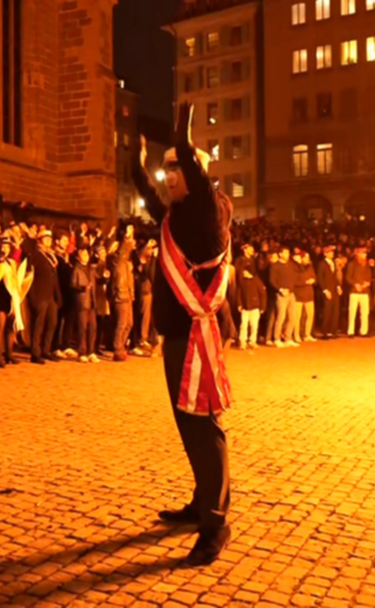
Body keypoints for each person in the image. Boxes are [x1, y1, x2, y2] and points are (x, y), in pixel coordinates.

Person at [132, 102, 233, 566]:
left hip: (199, 337)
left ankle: (215, 523)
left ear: (197, 171)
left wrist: (182, 130)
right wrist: (136, 165)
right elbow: (152, 200)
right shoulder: (177, 214)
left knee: (202, 427)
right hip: (178, 337)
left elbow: (192, 171)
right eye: (166, 167)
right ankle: (201, 501)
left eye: (179, 166)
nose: (169, 174)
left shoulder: (208, 211)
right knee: (187, 426)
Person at [0, 235, 32, 366]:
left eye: (7, 247)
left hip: (10, 296)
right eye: (3, 246)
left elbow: (14, 276)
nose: (5, 249)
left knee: (10, 327)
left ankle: (9, 353)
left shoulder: (10, 262)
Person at [24, 227, 62, 364]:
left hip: (50, 295)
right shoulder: (35, 255)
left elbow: (54, 278)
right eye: (46, 239)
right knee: (38, 324)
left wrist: (58, 296)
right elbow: (28, 275)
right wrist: (32, 296)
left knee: (52, 322)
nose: (48, 241)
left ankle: (46, 349)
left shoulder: (50, 255)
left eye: (49, 239)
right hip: (40, 295)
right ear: (39, 241)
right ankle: (35, 352)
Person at [110, 223, 136, 362]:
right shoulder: (118, 261)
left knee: (129, 324)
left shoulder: (126, 263)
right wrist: (127, 238)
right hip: (121, 296)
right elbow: (123, 251)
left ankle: (121, 346)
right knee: (121, 323)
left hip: (128, 295)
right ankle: (117, 349)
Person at [71, 246, 100, 363]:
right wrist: (83, 288)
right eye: (83, 255)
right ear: (78, 257)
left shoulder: (91, 269)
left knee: (93, 328)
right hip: (82, 302)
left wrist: (106, 277)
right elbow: (72, 285)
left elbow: (98, 279)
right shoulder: (76, 270)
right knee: (82, 328)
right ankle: (81, 352)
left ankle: (91, 351)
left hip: (92, 302)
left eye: (87, 255)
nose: (86, 257)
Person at [235, 243, 265, 349]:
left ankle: (252, 340)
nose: (252, 251)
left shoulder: (253, 261)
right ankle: (242, 341)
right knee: (244, 324)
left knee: (254, 324)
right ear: (245, 250)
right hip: (245, 298)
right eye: (250, 249)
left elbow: (262, 292)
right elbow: (238, 285)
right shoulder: (240, 261)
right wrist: (239, 303)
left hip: (254, 302)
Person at [269, 246, 296, 347]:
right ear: (280, 254)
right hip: (281, 294)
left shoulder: (290, 265)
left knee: (292, 317)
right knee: (281, 317)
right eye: (285, 253)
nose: (287, 255)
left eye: (288, 253)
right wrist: (280, 289)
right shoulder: (275, 266)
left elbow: (294, 278)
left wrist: (291, 289)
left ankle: (288, 337)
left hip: (291, 293)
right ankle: (277, 338)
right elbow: (272, 280)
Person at [345, 247, 372, 338]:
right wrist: (355, 284)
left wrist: (366, 283)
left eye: (365, 253)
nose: (365, 255)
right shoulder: (351, 264)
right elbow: (348, 277)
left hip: (364, 291)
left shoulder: (367, 265)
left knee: (365, 312)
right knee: (352, 312)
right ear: (357, 254)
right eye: (363, 253)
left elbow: (369, 277)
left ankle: (364, 331)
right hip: (354, 291)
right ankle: (350, 331)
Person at [316, 245, 342, 339]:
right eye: (330, 252)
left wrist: (338, 286)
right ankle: (325, 331)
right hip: (327, 290)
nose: (332, 254)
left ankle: (333, 331)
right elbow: (320, 278)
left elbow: (335, 277)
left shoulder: (333, 263)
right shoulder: (322, 264)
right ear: (325, 253)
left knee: (335, 311)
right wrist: (325, 290)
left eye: (332, 252)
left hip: (334, 289)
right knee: (327, 311)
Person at [292, 250, 317, 343]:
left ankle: (307, 334)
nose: (308, 259)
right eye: (306, 257)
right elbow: (295, 280)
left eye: (308, 257)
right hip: (299, 294)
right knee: (297, 317)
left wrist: (313, 280)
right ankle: (296, 335)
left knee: (310, 315)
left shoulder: (310, 266)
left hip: (309, 294)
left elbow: (314, 276)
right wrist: (305, 281)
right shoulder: (296, 267)